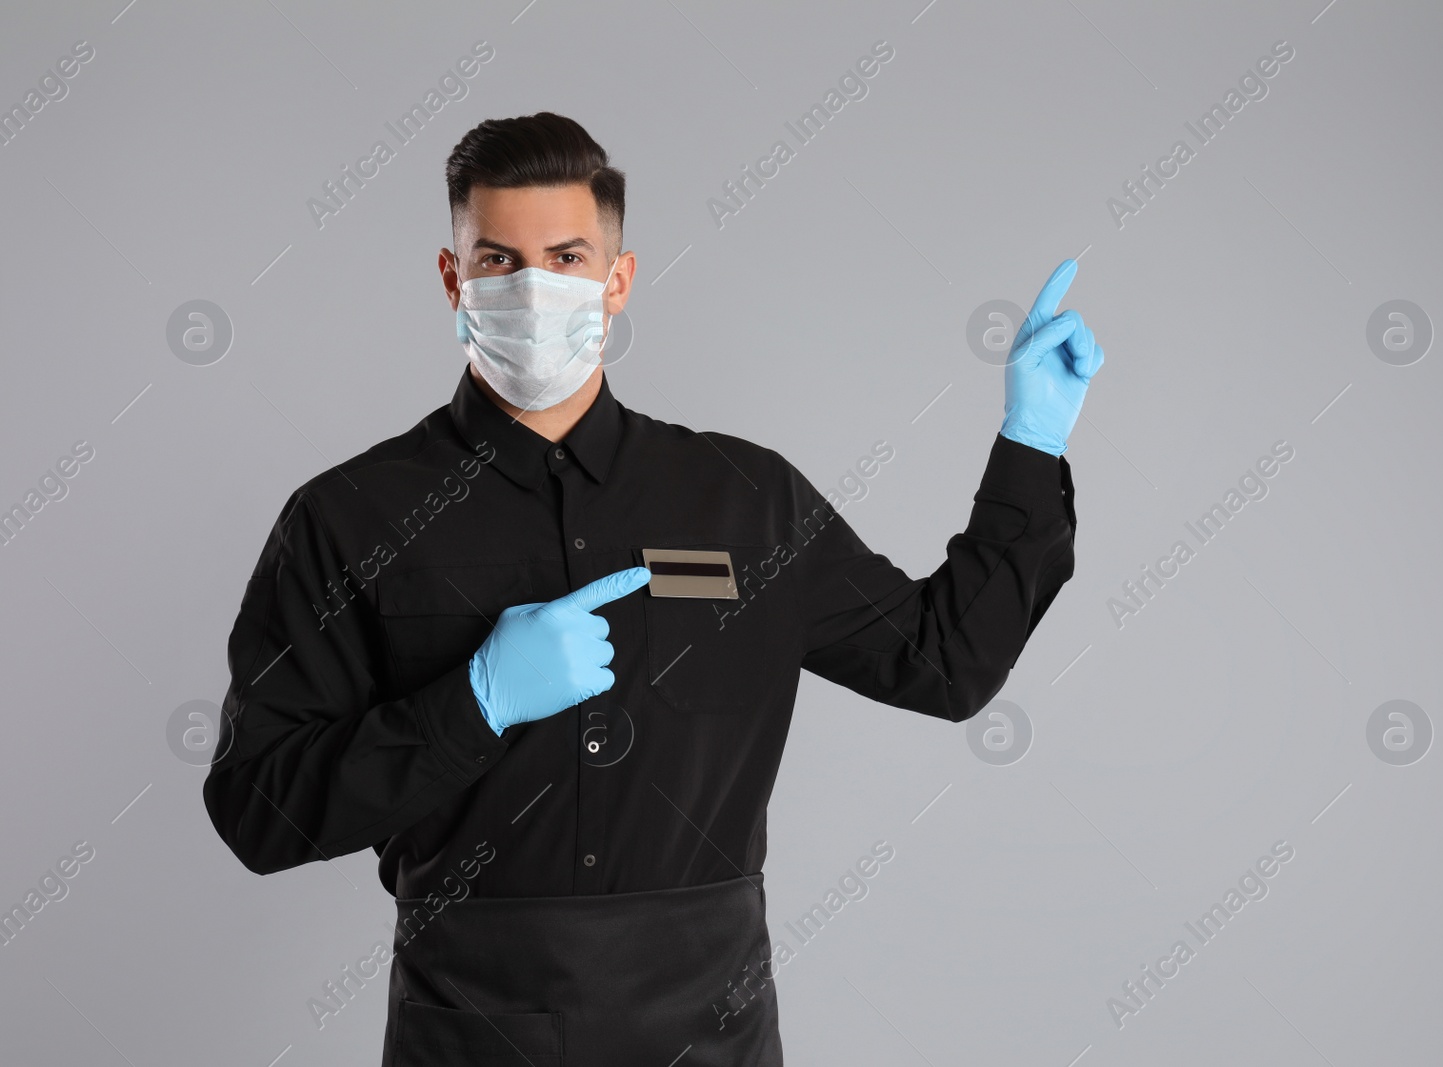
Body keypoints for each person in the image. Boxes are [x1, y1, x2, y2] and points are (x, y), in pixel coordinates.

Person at [204, 111, 1103, 1067]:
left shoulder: (748, 499)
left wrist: (1030, 446)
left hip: (710, 1031)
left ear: (618, 280)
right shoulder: (352, 516)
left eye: (567, 257)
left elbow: (945, 664)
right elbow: (260, 809)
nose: (535, 289)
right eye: (500, 261)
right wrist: (472, 704)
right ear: (451, 277)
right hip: (472, 1030)